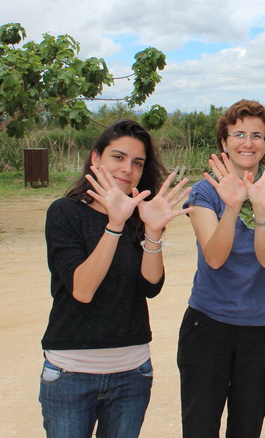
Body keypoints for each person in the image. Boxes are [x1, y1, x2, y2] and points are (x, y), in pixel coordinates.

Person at [39, 119, 192, 438]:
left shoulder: (141, 215)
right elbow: (82, 289)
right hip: (70, 372)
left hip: (132, 372)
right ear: (96, 159)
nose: (128, 168)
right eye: (118, 157)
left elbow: (150, 286)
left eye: (137, 162)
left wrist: (152, 231)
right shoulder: (65, 213)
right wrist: (114, 224)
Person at [177, 99, 265, 438]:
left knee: (246, 427)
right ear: (224, 142)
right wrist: (231, 207)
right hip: (207, 323)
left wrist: (260, 207)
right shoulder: (204, 192)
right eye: (239, 134)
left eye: (257, 136)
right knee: (200, 426)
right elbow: (214, 257)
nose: (248, 143)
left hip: (258, 327)